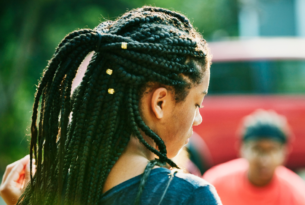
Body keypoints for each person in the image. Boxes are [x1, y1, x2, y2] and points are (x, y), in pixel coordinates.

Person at [0, 6, 221, 205]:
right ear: (159, 102)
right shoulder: (190, 196)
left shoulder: (57, 191)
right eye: (197, 104)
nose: (198, 118)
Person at [203, 109, 305, 205]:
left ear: (285, 151)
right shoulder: (215, 184)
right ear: (242, 148)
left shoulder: (298, 195)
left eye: (272, 150)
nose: (264, 159)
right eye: (257, 149)